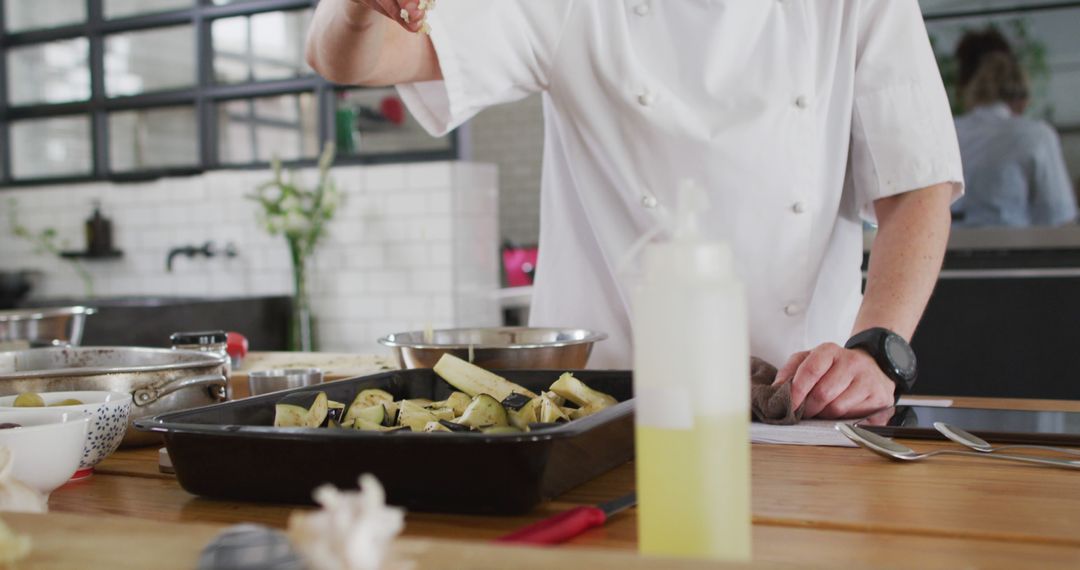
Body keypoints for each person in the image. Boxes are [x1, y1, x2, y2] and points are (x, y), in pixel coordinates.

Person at [306, 1, 964, 419]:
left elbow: (917, 182)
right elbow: (354, 59)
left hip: (809, 402)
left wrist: (876, 350)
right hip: (616, 419)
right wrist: (357, 9)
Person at [950, 32, 1076, 226]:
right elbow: (1058, 214)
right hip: (1013, 249)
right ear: (1022, 98)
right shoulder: (1035, 135)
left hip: (948, 248)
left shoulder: (949, 131)